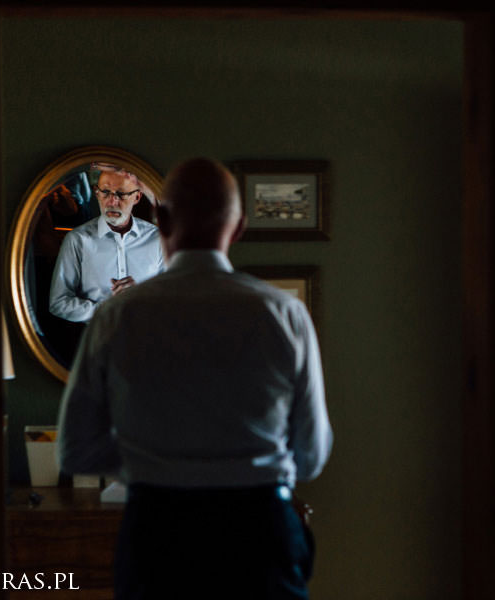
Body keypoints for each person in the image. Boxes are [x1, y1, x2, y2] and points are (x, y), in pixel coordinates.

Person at [56, 157, 333, 599]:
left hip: (158, 531)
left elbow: (76, 450)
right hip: (260, 533)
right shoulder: (283, 314)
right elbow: (312, 455)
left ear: (161, 220)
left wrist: (151, 462)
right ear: (238, 228)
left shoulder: (117, 316)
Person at [48, 166, 163, 323]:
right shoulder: (77, 239)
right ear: (97, 193)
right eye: (106, 192)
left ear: (137, 197)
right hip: (97, 335)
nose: (112, 202)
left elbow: (173, 299)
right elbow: (59, 303)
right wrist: (107, 310)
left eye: (121, 194)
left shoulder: (157, 239)